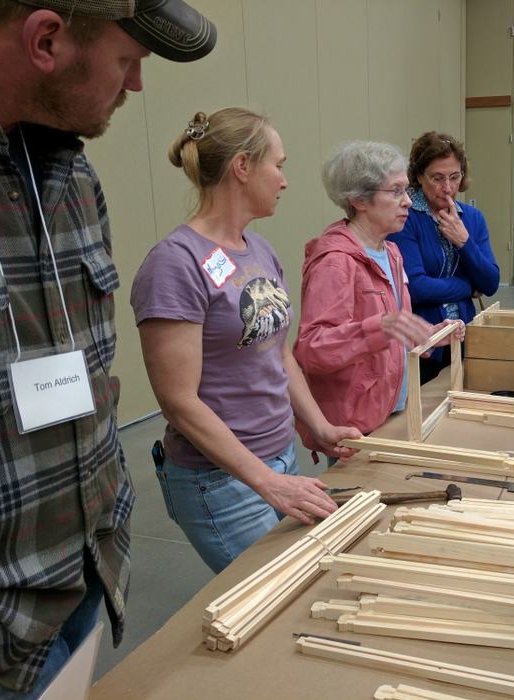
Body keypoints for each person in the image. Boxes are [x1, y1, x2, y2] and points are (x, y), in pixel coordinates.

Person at [0, 1, 215, 695]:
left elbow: (89, 368)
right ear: (46, 40)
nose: (136, 83)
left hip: (85, 573)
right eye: (127, 60)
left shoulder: (70, 175)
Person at [131, 109, 358, 575]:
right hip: (221, 479)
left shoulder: (259, 249)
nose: (284, 180)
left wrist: (318, 425)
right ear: (242, 167)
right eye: (278, 165)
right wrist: (266, 482)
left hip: (279, 457)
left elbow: (278, 352)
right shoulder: (174, 264)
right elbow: (178, 401)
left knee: (304, 582)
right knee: (283, 593)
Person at [294, 141, 463, 437]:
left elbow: (391, 332)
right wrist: (380, 329)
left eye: (406, 190)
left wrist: (429, 335)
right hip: (355, 427)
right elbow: (312, 350)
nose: (408, 201)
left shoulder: (391, 252)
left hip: (392, 410)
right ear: (359, 200)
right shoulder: (335, 262)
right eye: (395, 191)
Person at [389, 132, 499, 384]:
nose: (448, 188)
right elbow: (416, 288)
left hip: (465, 336)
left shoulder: (472, 218)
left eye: (454, 177)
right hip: (423, 342)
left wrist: (464, 242)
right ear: (419, 176)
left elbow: (491, 282)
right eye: (437, 178)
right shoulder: (406, 218)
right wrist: (468, 286)